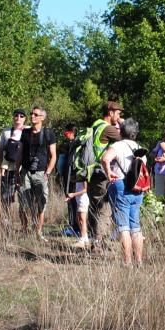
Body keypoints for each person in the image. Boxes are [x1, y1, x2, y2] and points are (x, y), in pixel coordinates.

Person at [100, 117, 144, 266]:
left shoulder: (118, 146)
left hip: (121, 185)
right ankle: (139, 260)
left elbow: (105, 158)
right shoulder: (140, 147)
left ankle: (127, 262)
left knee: (123, 226)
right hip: (138, 189)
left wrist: (109, 173)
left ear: (122, 131)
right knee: (135, 226)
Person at [87, 101, 123, 248]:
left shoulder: (96, 125)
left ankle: (93, 239)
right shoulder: (108, 129)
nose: (119, 116)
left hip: (91, 172)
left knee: (94, 207)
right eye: (118, 113)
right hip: (102, 173)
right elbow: (127, 138)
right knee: (104, 209)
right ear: (110, 113)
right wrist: (122, 123)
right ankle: (98, 242)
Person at [18, 106, 57, 239]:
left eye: (35, 114)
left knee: (41, 203)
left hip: (41, 173)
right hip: (25, 172)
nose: (32, 116)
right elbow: (20, 153)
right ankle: (24, 230)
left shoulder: (48, 133)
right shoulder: (25, 133)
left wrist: (48, 172)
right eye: (31, 114)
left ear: (42, 117)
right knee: (23, 203)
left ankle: (38, 232)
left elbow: (53, 155)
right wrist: (18, 171)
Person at [0, 109, 27, 218]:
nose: (19, 117)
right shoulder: (6, 132)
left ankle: (25, 226)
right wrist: (1, 167)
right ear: (13, 117)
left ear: (25, 118)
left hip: (23, 170)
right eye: (16, 115)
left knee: (24, 199)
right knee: (6, 199)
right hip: (9, 170)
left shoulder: (28, 130)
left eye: (22, 116)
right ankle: (6, 223)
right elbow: (0, 150)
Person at [57, 124, 80, 235]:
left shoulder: (71, 145)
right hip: (78, 179)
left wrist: (61, 173)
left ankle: (73, 228)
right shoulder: (80, 144)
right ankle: (79, 228)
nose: (65, 134)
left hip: (70, 178)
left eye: (67, 132)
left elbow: (61, 165)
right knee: (78, 203)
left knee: (72, 203)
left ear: (71, 132)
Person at [150, 125, 165, 197]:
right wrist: (155, 157)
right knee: (159, 197)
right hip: (159, 174)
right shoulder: (160, 143)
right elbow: (152, 154)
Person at [65, 179, 90, 248]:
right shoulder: (78, 176)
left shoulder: (84, 176)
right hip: (78, 200)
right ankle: (86, 239)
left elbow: (85, 190)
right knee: (78, 219)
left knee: (82, 220)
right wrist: (70, 197)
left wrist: (73, 194)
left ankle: (82, 240)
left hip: (83, 200)